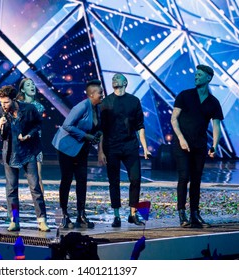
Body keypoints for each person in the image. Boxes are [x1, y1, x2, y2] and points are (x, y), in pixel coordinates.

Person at [171, 64, 223, 228]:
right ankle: (182, 213)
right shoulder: (185, 95)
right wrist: (181, 138)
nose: (196, 76)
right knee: (184, 177)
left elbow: (216, 126)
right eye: (196, 74)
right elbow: (174, 119)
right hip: (182, 144)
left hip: (199, 146)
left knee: (196, 180)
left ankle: (195, 213)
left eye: (200, 75)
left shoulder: (213, 102)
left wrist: (214, 145)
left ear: (208, 78)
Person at [98, 73, 151, 227]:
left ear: (125, 82)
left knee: (135, 179)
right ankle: (116, 215)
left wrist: (145, 148)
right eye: (113, 78)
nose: (114, 79)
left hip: (130, 146)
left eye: (118, 78)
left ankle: (133, 214)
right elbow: (101, 129)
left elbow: (140, 126)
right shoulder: (106, 102)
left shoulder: (134, 101)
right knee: (113, 181)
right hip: (112, 146)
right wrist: (100, 151)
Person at [0, 85, 50, 232]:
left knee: (35, 186)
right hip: (10, 153)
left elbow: (38, 124)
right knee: (11, 189)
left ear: (13, 99)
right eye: (1, 102)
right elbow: (1, 137)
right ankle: (14, 220)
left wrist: (29, 135)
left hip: (28, 151)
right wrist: (1, 127)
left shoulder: (29, 108)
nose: (3, 105)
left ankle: (41, 220)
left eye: (6, 102)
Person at [52, 79, 103, 229]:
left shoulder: (96, 108)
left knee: (82, 180)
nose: (102, 95)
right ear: (92, 94)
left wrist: (96, 134)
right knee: (66, 180)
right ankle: (64, 215)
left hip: (81, 149)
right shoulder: (81, 106)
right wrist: (86, 136)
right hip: (66, 147)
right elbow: (67, 125)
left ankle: (81, 215)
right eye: (100, 92)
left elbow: (92, 127)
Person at [16, 78, 45, 194]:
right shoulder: (17, 105)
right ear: (22, 89)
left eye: (33, 84)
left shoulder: (39, 107)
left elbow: (36, 126)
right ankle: (14, 210)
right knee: (13, 180)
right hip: (19, 145)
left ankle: (40, 207)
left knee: (37, 178)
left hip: (34, 145)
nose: (32, 86)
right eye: (28, 85)